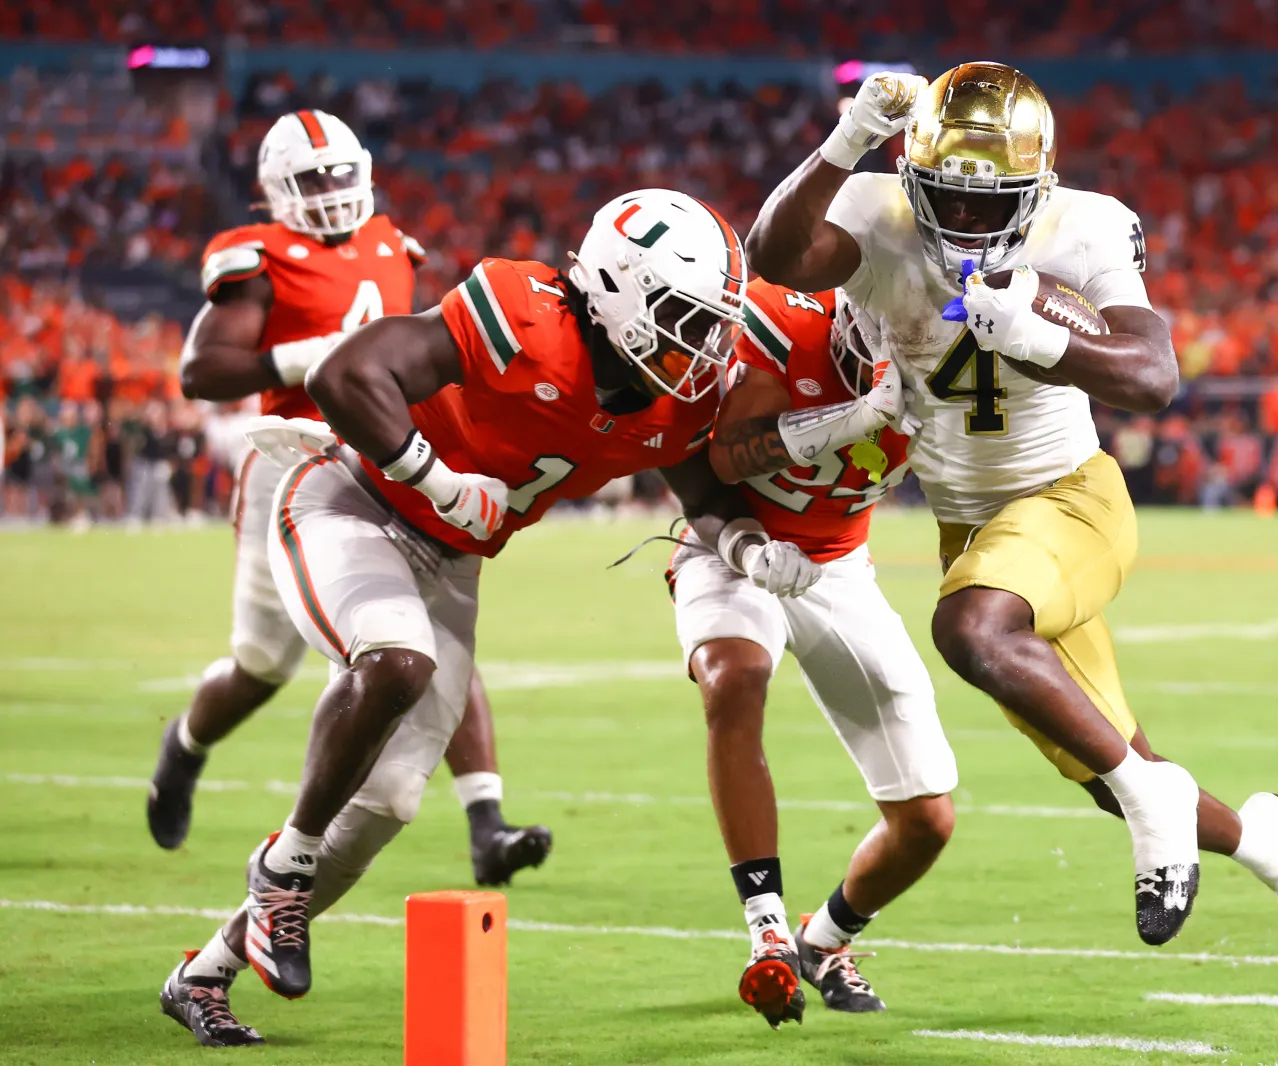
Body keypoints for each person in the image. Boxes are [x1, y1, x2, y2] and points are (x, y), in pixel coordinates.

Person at [158, 188, 823, 1048]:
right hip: (353, 500)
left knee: (390, 801)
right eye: (681, 318)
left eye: (708, 325)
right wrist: (436, 477)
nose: (700, 347)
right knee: (397, 661)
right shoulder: (525, 311)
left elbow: (697, 488)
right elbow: (344, 374)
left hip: (452, 556)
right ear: (618, 290)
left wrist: (743, 548)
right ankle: (283, 866)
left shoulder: (672, 399)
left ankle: (202, 974)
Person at [746, 62, 1278, 952]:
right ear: (912, 177)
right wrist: (843, 143)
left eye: (996, 204)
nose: (971, 221)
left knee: (972, 632)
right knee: (1107, 764)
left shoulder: (1084, 227)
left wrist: (1041, 338)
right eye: (949, 196)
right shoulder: (876, 211)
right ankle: (1268, 845)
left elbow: (1153, 376)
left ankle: (1158, 808)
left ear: (1043, 184)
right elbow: (772, 258)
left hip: (1069, 500)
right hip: (973, 529)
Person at [143, 110, 551, 891]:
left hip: (380, 456)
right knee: (262, 665)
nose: (331, 192)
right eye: (312, 180)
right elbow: (202, 371)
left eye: (339, 175)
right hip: (293, 466)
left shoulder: (395, 244)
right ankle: (185, 747)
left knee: (430, 634)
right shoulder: (260, 259)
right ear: (273, 193)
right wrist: (300, 356)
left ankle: (485, 821)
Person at [674, 278, 954, 1026]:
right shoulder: (782, 319)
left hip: (839, 568)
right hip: (734, 546)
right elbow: (726, 458)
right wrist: (856, 417)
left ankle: (822, 942)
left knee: (927, 822)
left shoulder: (963, 378)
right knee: (735, 678)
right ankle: (766, 933)